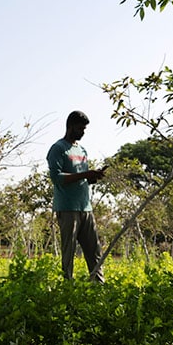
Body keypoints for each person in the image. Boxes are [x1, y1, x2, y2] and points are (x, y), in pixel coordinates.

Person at [46, 110, 106, 283]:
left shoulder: (82, 150)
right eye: (80, 128)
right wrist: (85, 174)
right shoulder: (58, 149)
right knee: (69, 251)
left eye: (85, 129)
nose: (83, 132)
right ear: (70, 126)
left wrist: (93, 177)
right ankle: (67, 286)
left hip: (85, 207)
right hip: (67, 208)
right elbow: (56, 178)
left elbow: (83, 178)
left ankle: (99, 286)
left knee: (94, 251)